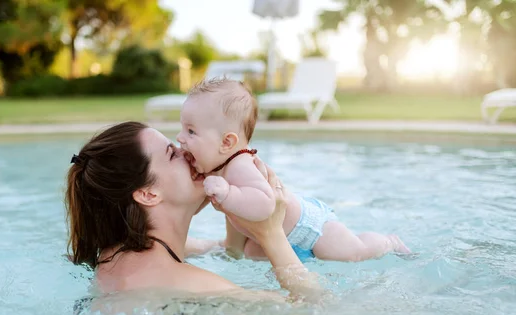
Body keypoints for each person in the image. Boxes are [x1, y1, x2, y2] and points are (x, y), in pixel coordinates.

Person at [65, 121, 320, 302]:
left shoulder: (117, 255)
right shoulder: (196, 286)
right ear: (148, 194)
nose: (187, 152)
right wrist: (271, 234)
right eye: (171, 154)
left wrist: (239, 203)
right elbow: (316, 312)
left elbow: (225, 251)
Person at [176, 77, 411, 263]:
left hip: (311, 228)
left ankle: (389, 242)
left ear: (226, 142)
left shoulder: (240, 165)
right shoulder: (216, 166)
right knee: (250, 255)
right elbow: (193, 208)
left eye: (191, 131)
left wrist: (227, 194)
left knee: (351, 253)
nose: (180, 137)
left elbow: (265, 204)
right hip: (274, 236)